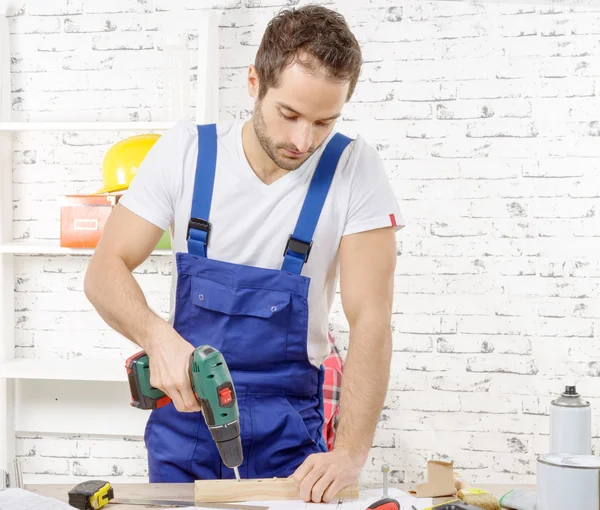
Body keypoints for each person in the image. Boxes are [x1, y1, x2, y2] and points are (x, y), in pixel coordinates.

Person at [84, 4, 404, 504]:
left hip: (289, 432)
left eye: (324, 122)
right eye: (290, 114)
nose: (303, 140)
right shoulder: (186, 153)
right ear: (254, 82)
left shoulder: (354, 169)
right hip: (185, 418)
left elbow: (372, 320)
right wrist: (158, 339)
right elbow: (104, 270)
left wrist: (350, 455)